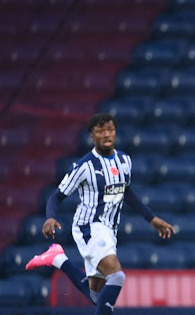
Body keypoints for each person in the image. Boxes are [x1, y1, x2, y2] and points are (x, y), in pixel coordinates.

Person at [25, 113, 175, 314]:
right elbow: (56, 196)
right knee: (117, 276)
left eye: (110, 130)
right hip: (89, 227)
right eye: (100, 131)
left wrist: (152, 218)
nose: (106, 134)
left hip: (110, 230)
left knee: (96, 295)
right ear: (91, 136)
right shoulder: (84, 166)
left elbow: (126, 191)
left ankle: (57, 258)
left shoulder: (124, 160)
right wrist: (50, 217)